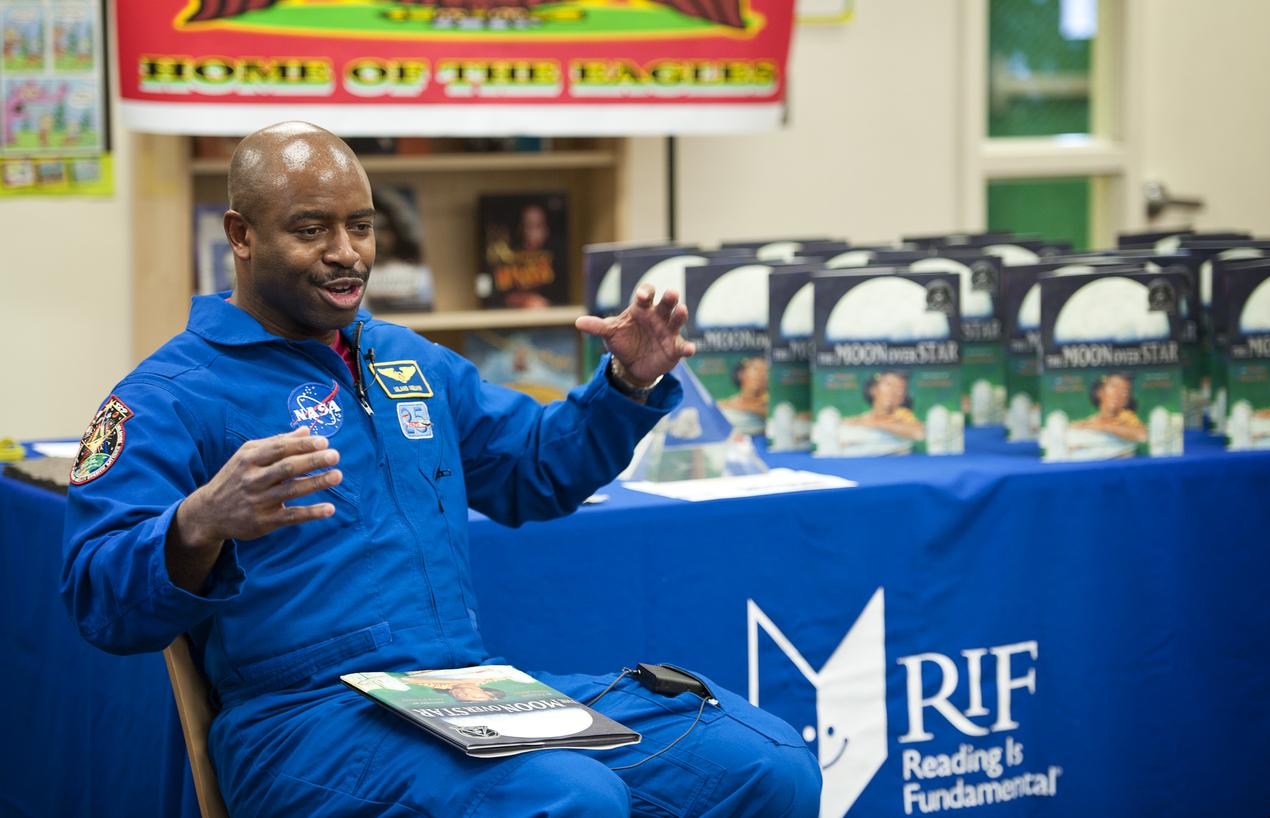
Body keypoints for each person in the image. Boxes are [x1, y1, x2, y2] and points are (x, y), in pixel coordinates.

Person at [61, 122, 820, 818]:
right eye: (310, 229)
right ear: (241, 235)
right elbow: (98, 599)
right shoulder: (165, 398)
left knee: (768, 766)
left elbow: (535, 470)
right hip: (299, 725)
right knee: (566, 797)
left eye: (360, 227)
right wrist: (199, 522)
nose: (346, 252)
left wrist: (625, 388)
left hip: (463, 693)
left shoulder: (408, 360)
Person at [846, 370, 925, 441]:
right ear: (873, 389)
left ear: (903, 398)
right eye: (888, 385)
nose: (892, 392)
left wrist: (877, 424)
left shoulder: (903, 416)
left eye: (899, 388)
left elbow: (919, 433)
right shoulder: (864, 418)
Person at [1072, 372, 1147, 443]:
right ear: (1099, 392)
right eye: (1114, 387)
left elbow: (1142, 436)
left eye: (1125, 391)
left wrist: (1105, 427)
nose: (1118, 394)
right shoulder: (1092, 420)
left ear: (1126, 399)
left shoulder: (1127, 418)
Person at [717, 356, 768, 435]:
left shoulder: (769, 404)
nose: (761, 374)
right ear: (741, 374)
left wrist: (738, 406)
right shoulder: (729, 403)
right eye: (756, 369)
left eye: (765, 371)